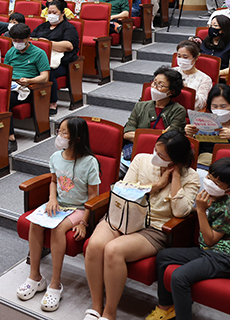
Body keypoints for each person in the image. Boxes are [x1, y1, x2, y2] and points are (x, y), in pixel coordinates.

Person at [84, 130, 199, 320]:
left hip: (153, 228)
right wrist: (157, 184)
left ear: (176, 159)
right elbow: (124, 189)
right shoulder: (141, 160)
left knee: (113, 250)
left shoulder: (191, 177)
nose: (155, 156)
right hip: (124, 215)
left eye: (161, 155)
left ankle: (109, 313)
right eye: (156, 150)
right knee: (95, 245)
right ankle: (96, 306)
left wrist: (176, 178)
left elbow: (180, 212)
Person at [20, 117, 100, 313]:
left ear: (77, 138)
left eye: (65, 133)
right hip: (60, 205)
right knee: (35, 223)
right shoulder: (56, 157)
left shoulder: (90, 162)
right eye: (59, 131)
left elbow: (93, 196)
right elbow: (54, 181)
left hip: (79, 208)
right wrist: (52, 199)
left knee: (58, 229)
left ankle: (55, 284)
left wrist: (83, 222)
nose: (60, 136)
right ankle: (35, 277)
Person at [151, 157, 230, 320]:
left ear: (229, 190)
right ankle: (166, 306)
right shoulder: (208, 197)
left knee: (179, 277)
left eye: (217, 183)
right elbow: (199, 211)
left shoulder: (227, 210)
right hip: (205, 251)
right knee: (163, 256)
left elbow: (210, 240)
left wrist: (200, 211)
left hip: (222, 258)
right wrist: (194, 210)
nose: (209, 183)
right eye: (209, 177)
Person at [122, 67, 187, 164]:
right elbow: (126, 133)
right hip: (135, 153)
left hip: (161, 157)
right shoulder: (140, 106)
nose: (154, 87)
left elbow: (170, 139)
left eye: (160, 85)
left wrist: (140, 136)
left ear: (171, 91)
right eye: (154, 82)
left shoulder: (178, 110)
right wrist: (160, 135)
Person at [4, 23, 50, 154]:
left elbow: (45, 77)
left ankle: (11, 139)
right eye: (14, 40)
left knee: (3, 102)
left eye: (20, 40)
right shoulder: (11, 52)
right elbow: (5, 71)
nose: (17, 43)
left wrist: (29, 81)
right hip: (11, 85)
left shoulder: (39, 53)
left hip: (28, 88)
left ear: (28, 38)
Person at [185, 84, 230, 167]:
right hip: (203, 165)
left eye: (223, 106)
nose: (219, 110)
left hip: (229, 168)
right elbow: (192, 154)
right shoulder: (203, 124)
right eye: (215, 106)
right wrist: (189, 136)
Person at [32, 0, 80, 112]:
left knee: (48, 72)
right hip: (40, 58)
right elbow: (31, 39)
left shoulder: (68, 27)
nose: (51, 15)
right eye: (49, 12)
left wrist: (47, 44)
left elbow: (69, 46)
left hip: (61, 62)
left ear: (62, 13)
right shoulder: (42, 26)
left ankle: (52, 103)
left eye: (55, 13)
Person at [175, 41, 213, 110]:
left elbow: (201, 103)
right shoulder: (172, 71)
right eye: (179, 56)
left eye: (185, 57)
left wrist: (187, 90)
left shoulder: (205, 79)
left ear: (195, 58)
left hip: (189, 112)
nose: (181, 60)